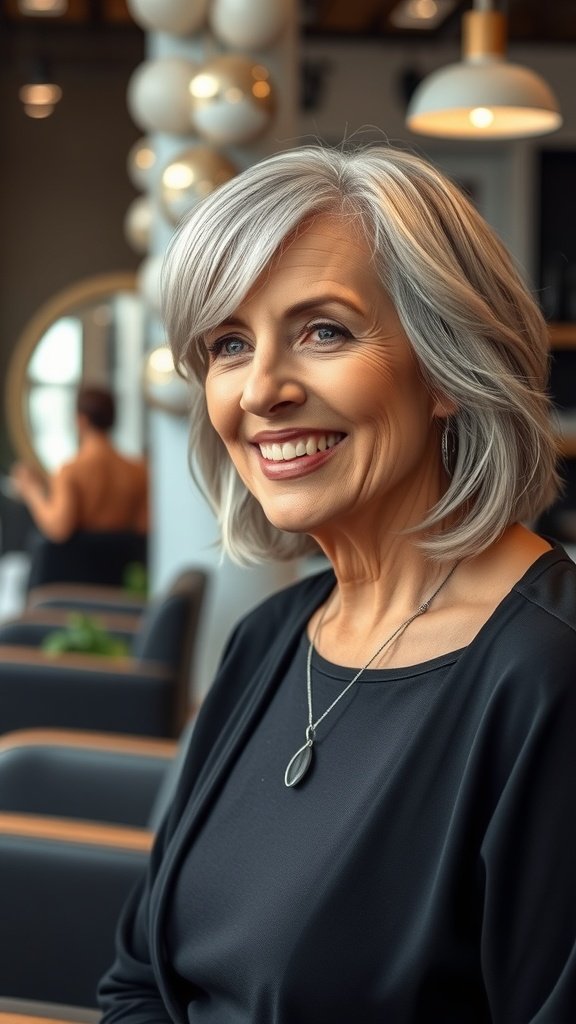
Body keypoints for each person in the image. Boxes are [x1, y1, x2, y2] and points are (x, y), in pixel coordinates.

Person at [98, 145, 576, 1023]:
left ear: (443, 366)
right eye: (230, 345)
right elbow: (139, 982)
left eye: (325, 330)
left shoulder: (548, 678)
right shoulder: (271, 637)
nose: (263, 391)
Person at [10, 384, 149, 542]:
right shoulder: (139, 471)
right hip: (124, 564)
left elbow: (58, 529)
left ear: (81, 420)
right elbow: (144, 526)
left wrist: (32, 491)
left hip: (75, 565)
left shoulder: (71, 472)